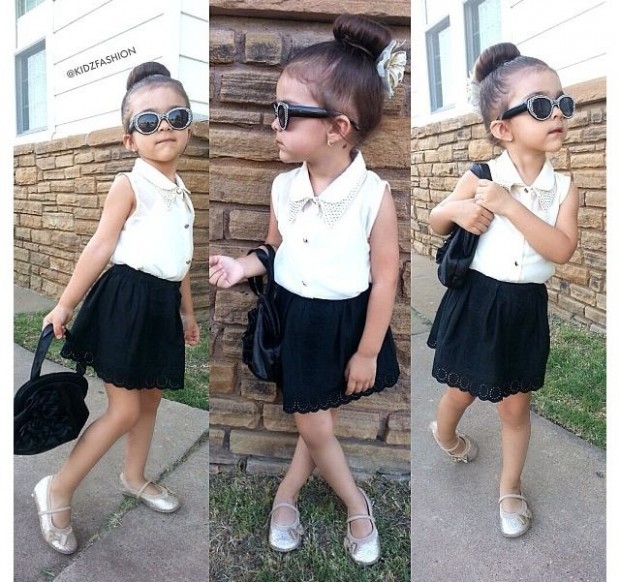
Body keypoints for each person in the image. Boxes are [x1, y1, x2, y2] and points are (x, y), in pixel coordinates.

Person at [209, 15, 406, 566]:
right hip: (292, 318)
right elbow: (275, 249)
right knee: (314, 418)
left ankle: (336, 502)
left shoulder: (373, 195)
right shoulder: (283, 186)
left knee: (314, 420)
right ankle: (307, 497)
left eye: (285, 114)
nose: (273, 124)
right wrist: (243, 266)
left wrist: (367, 351)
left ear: (336, 128)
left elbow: (386, 277)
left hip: (343, 323)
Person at [33, 62, 200, 554]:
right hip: (126, 303)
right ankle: (56, 489)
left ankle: (134, 477)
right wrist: (64, 304)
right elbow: (100, 247)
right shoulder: (130, 184)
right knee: (125, 408)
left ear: (189, 126)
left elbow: (181, 258)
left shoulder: (183, 191)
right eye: (148, 121)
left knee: (150, 399)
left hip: (162, 306)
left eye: (175, 115)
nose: (163, 126)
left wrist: (187, 311)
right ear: (130, 139)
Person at [427, 42, 579, 538]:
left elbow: (561, 249)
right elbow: (436, 221)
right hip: (477, 302)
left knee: (515, 407)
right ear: (502, 128)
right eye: (541, 105)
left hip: (523, 308)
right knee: (461, 390)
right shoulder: (482, 176)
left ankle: (510, 486)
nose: (557, 113)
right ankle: (444, 433)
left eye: (562, 102)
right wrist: (458, 210)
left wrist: (511, 207)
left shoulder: (564, 188)